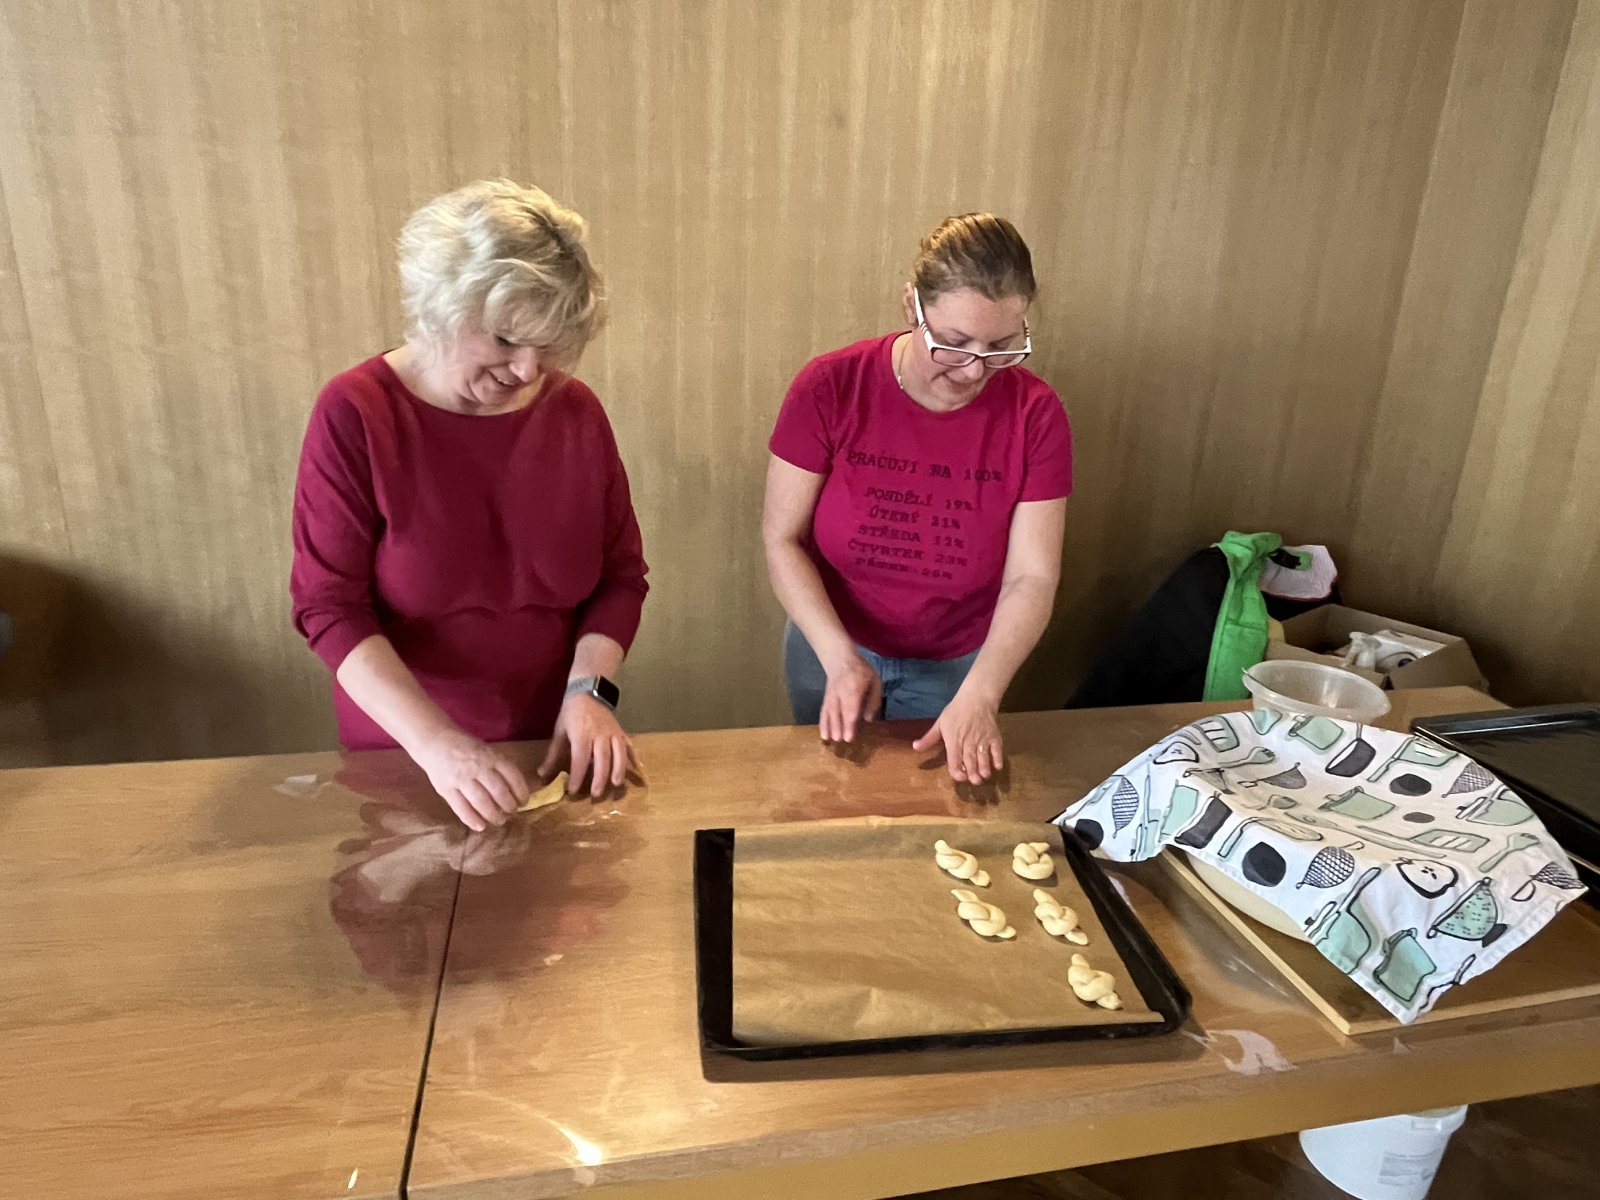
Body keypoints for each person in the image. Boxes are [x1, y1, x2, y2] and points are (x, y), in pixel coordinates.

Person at [291, 180, 648, 830]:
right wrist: (436, 745)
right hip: (408, 751)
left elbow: (620, 579)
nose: (529, 370)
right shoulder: (356, 412)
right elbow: (328, 608)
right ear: (440, 310)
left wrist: (590, 692)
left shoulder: (575, 412)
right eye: (506, 340)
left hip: (551, 742)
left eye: (550, 344)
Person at [763, 213, 1071, 783]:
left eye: (1001, 346)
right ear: (913, 307)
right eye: (953, 344)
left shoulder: (1036, 415)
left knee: (929, 801)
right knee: (828, 794)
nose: (974, 371)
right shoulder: (830, 387)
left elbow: (1032, 577)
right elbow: (782, 539)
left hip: (958, 663)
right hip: (830, 644)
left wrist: (982, 694)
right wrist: (838, 657)